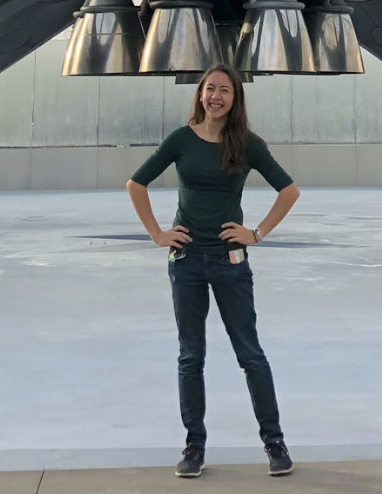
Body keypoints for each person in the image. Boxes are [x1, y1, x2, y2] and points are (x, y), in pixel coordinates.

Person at [126, 62, 300, 479]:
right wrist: (157, 234)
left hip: (230, 263)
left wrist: (255, 233)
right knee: (191, 356)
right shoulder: (181, 140)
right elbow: (136, 183)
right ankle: (194, 447)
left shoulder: (246, 144)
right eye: (209, 89)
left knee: (250, 354)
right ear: (200, 94)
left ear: (235, 98)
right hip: (185, 263)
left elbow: (289, 190)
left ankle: (275, 444)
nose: (215, 96)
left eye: (224, 90)